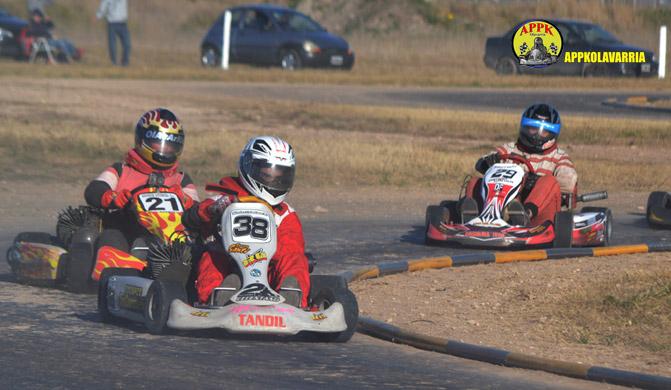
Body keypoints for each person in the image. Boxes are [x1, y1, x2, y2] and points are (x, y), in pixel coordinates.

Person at [182, 136, 310, 308]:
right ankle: (217, 298)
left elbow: (291, 248)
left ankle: (292, 299)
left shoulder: (284, 214)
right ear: (250, 167)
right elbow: (190, 218)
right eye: (267, 173)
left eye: (281, 175)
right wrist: (212, 210)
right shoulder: (226, 199)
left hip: (267, 276)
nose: (274, 180)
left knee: (295, 259)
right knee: (212, 257)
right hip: (229, 264)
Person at [84, 108, 199, 254]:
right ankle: (112, 271)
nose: (165, 148)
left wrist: (185, 200)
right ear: (142, 139)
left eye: (171, 144)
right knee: (111, 237)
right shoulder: (122, 171)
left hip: (172, 242)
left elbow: (198, 211)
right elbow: (94, 190)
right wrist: (113, 198)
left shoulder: (181, 179)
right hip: (126, 234)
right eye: (158, 141)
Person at [463, 103, 577, 226]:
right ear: (525, 127)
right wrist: (488, 162)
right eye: (533, 129)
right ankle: (472, 218)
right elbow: (482, 162)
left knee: (549, 181)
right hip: (506, 204)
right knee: (475, 181)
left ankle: (523, 215)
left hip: (540, 216)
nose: (537, 135)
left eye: (543, 132)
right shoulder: (510, 149)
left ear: (552, 134)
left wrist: (535, 181)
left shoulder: (559, 156)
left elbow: (568, 182)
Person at [96, 0, 130, 66]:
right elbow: (102, 8)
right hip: (112, 23)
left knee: (127, 44)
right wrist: (97, 16)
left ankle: (125, 63)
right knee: (112, 45)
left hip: (123, 23)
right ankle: (113, 63)